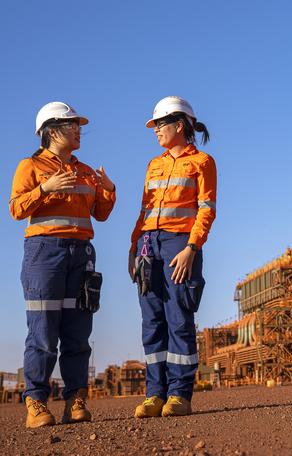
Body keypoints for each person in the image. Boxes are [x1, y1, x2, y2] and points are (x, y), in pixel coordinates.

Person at [9, 102, 116, 428]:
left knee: (78, 331)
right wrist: (45, 188)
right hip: (44, 253)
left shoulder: (85, 171)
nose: (78, 130)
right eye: (72, 125)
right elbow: (15, 208)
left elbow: (101, 213)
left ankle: (75, 400)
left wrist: (108, 189)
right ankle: (36, 403)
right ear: (51, 131)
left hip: (81, 253)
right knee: (42, 330)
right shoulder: (30, 166)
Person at [129, 96, 216, 418]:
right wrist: (133, 247)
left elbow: (207, 211)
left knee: (179, 320)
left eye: (160, 125)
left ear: (180, 125)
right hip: (148, 246)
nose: (155, 131)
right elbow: (144, 210)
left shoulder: (202, 162)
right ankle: (155, 394)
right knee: (152, 321)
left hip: (180, 245)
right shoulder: (155, 164)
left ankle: (179, 395)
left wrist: (190, 249)